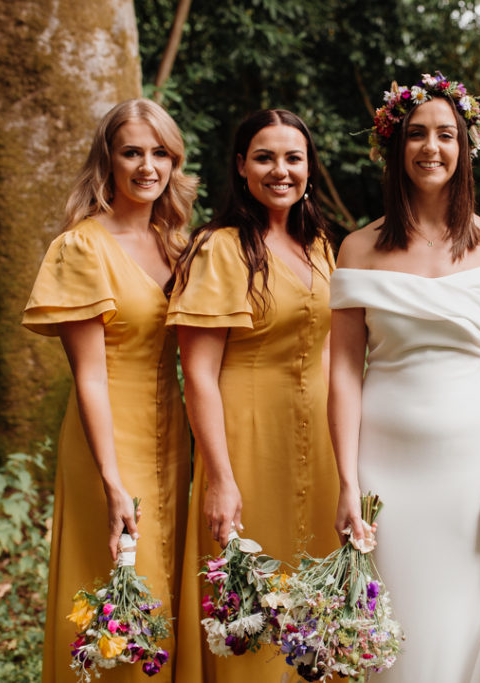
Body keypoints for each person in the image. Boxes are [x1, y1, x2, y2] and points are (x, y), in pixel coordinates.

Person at [329, 72, 480, 683]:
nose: (431, 147)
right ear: (396, 146)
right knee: (387, 618)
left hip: (468, 468)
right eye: (417, 135)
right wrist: (345, 479)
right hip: (381, 467)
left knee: (458, 615)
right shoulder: (358, 249)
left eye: (446, 134)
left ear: (465, 147)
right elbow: (342, 371)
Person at [22, 98, 197, 681]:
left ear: (173, 162)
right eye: (131, 152)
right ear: (108, 161)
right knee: (123, 590)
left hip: (170, 432)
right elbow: (89, 375)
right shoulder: (82, 247)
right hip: (108, 436)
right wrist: (111, 480)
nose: (147, 166)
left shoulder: (177, 243)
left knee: (164, 585)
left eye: (159, 153)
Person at [168, 109, 339, 681]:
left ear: (309, 167)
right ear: (241, 167)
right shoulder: (218, 249)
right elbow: (198, 374)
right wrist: (218, 477)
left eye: (293, 158)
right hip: (247, 439)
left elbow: (335, 349)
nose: (280, 170)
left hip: (320, 442)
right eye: (264, 157)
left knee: (317, 595)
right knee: (252, 601)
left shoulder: (318, 245)